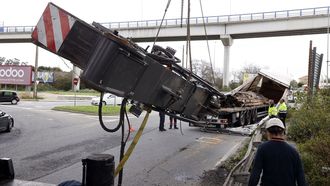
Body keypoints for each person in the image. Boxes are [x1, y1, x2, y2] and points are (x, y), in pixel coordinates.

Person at [248, 118, 307, 186]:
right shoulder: (293, 151)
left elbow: (255, 173)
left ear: (268, 132)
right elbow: (301, 177)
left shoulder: (262, 149)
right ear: (283, 132)